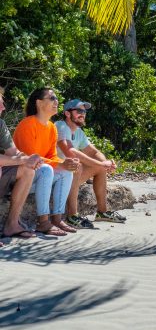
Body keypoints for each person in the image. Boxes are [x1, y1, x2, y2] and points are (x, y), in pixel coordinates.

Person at [13, 88, 80, 236]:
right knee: (46, 169)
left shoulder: (51, 128)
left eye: (56, 98)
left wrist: (65, 163)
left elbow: (52, 156)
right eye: (52, 98)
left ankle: (57, 218)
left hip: (40, 176)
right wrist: (60, 164)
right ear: (39, 102)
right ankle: (43, 222)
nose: (56, 101)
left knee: (65, 171)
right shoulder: (28, 124)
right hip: (22, 180)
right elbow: (31, 159)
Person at [56, 98, 126, 229]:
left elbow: (94, 152)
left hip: (68, 177)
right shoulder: (60, 126)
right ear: (67, 113)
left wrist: (106, 163)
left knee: (99, 169)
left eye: (84, 111)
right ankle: (72, 216)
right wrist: (101, 164)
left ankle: (102, 212)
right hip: (55, 175)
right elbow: (71, 152)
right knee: (77, 165)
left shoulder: (78, 132)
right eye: (79, 111)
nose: (83, 114)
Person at [0, 86, 42, 242]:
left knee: (27, 170)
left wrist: (30, 159)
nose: (3, 107)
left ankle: (12, 224)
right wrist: (22, 159)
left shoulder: (0, 124)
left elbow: (14, 153)